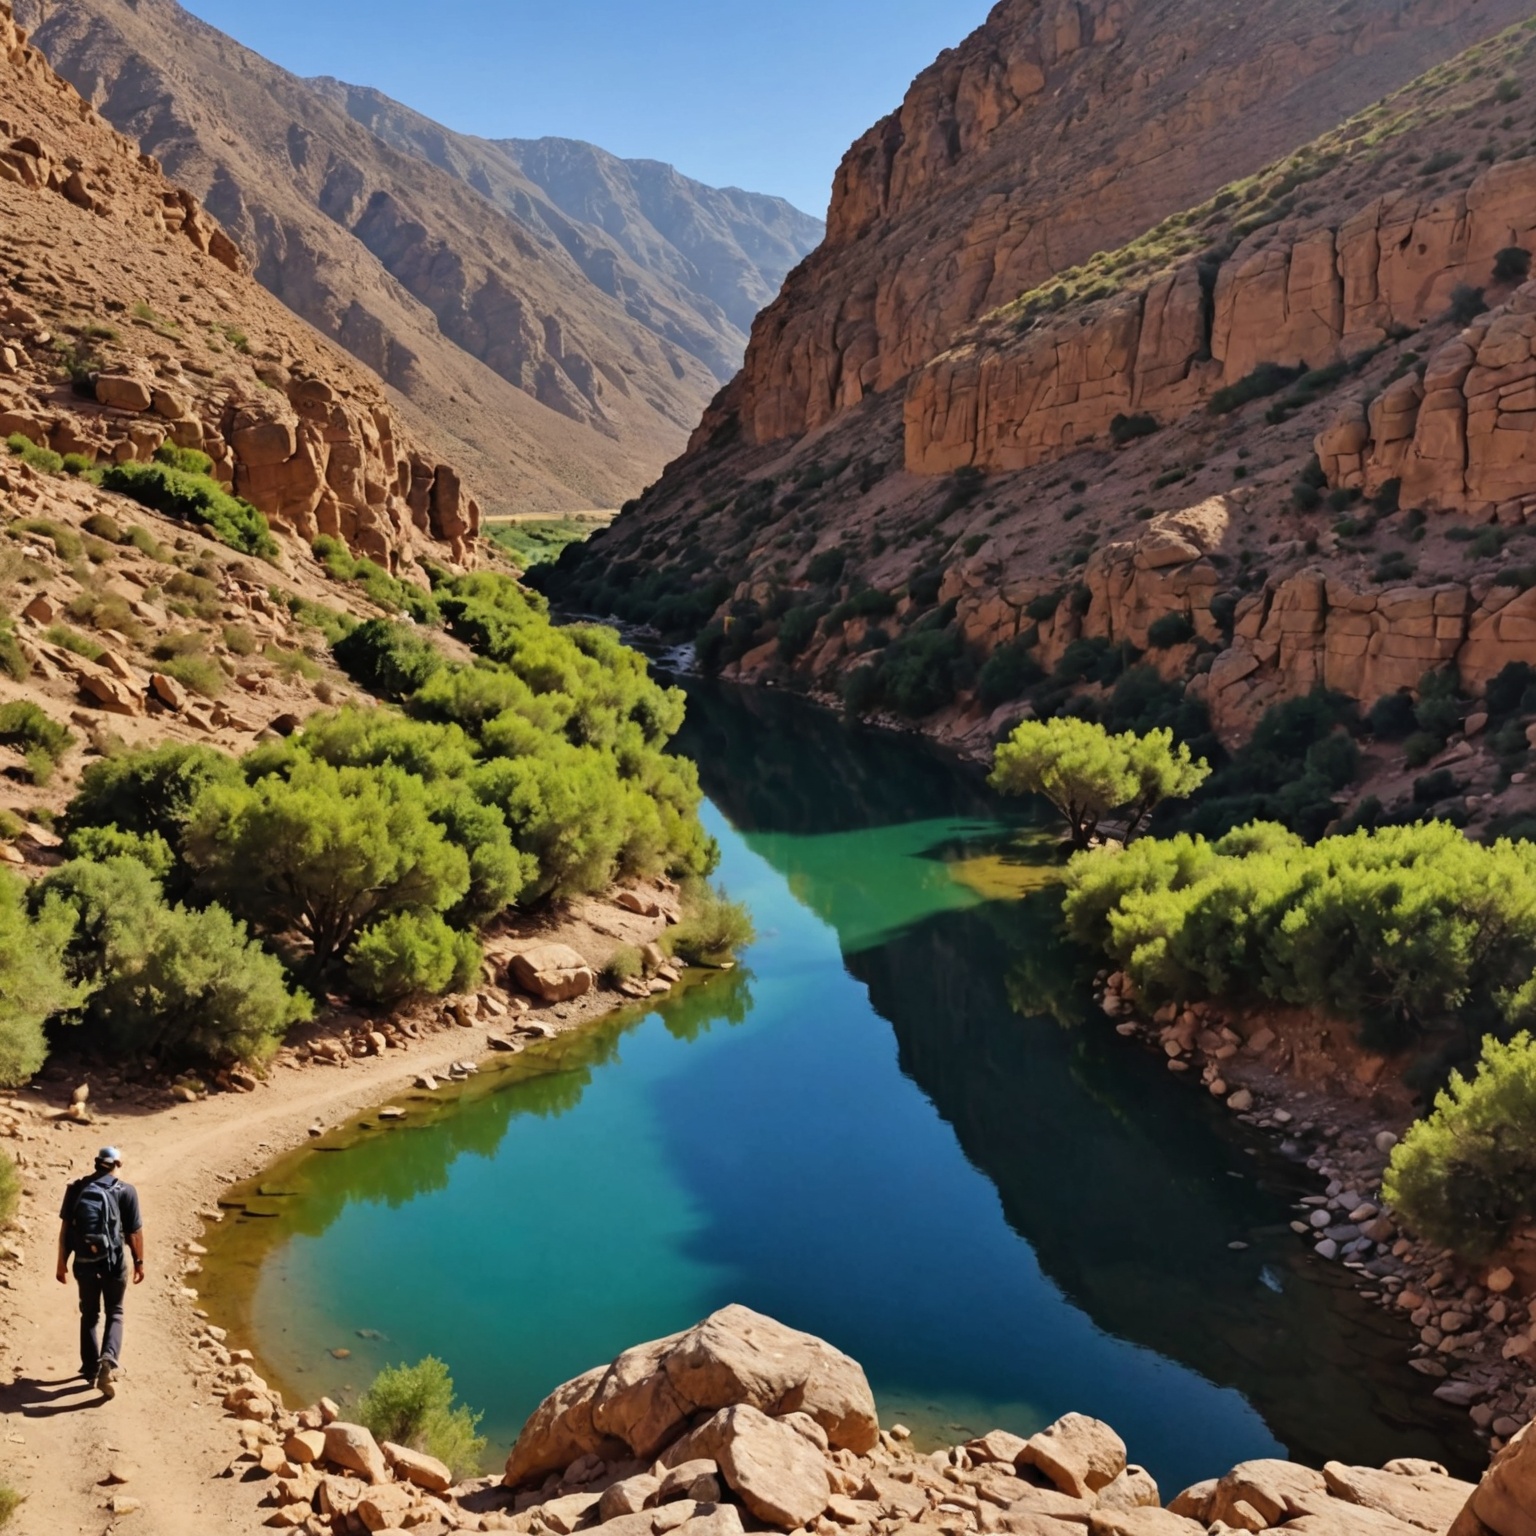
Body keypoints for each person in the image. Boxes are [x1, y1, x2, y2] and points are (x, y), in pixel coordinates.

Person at [56, 1146, 144, 1399]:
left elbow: (65, 1229)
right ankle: (109, 1360)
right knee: (115, 1311)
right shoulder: (126, 1191)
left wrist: (61, 1262)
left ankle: (89, 1367)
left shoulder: (75, 1189)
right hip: (114, 1263)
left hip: (83, 1262)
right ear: (118, 1165)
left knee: (89, 1313)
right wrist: (139, 1262)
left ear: (96, 1163)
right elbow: (134, 1233)